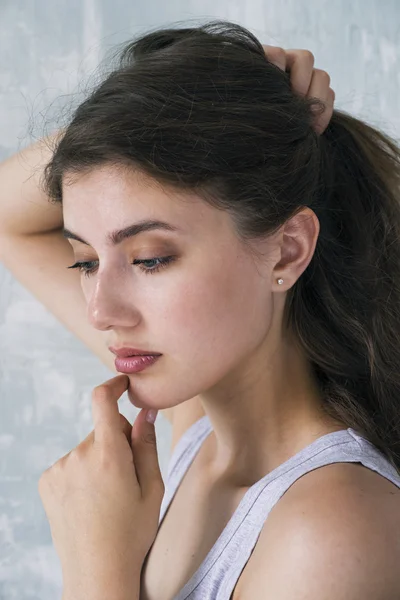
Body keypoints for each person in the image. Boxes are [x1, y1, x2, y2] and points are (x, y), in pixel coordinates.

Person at [1, 19, 399, 600]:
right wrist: (220, 103)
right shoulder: (197, 431)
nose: (102, 312)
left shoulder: (331, 531)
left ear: (286, 250)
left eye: (152, 259)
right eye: (85, 262)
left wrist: (96, 571)